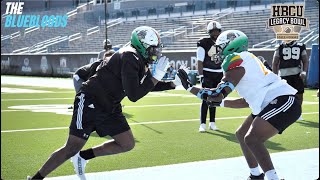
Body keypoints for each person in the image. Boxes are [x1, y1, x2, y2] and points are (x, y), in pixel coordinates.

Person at [27, 26, 183, 180]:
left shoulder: (137, 58)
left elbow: (144, 85)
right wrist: (157, 76)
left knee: (127, 143)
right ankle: (35, 179)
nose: (155, 53)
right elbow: (134, 94)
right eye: (152, 49)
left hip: (110, 105)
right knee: (72, 147)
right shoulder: (130, 56)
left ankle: (83, 157)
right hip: (90, 100)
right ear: (141, 45)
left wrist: (171, 84)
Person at [177, 30, 301, 180]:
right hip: (273, 101)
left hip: (283, 100)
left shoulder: (236, 60)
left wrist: (191, 88)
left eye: (221, 46)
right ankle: (256, 175)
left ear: (232, 47)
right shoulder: (247, 60)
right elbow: (244, 101)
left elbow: (216, 95)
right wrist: (219, 103)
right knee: (241, 134)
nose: (218, 50)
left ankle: (273, 178)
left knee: (252, 138)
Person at [196, 20, 223, 132]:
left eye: (217, 31)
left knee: (215, 98)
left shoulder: (223, 41)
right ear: (209, 32)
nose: (216, 33)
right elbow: (199, 61)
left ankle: (212, 122)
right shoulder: (203, 42)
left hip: (218, 73)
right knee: (205, 98)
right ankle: (202, 123)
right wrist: (201, 76)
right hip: (207, 73)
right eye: (213, 31)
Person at [272, 40, 308, 120]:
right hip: (283, 75)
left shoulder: (300, 45)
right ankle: (283, 113)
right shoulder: (280, 47)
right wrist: (275, 76)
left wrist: (304, 71)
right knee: (283, 96)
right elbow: (275, 62)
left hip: (297, 74)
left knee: (299, 95)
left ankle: (298, 114)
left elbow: (305, 60)